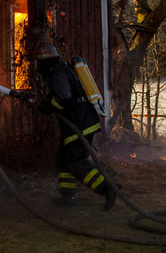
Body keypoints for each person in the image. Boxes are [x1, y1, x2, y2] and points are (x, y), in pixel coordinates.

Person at [34, 43, 117, 210]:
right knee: (63, 159)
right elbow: (60, 95)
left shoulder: (57, 73)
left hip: (78, 124)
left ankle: (106, 189)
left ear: (44, 62)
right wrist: (47, 103)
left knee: (76, 163)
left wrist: (49, 106)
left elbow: (63, 98)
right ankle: (67, 196)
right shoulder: (63, 69)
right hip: (82, 121)